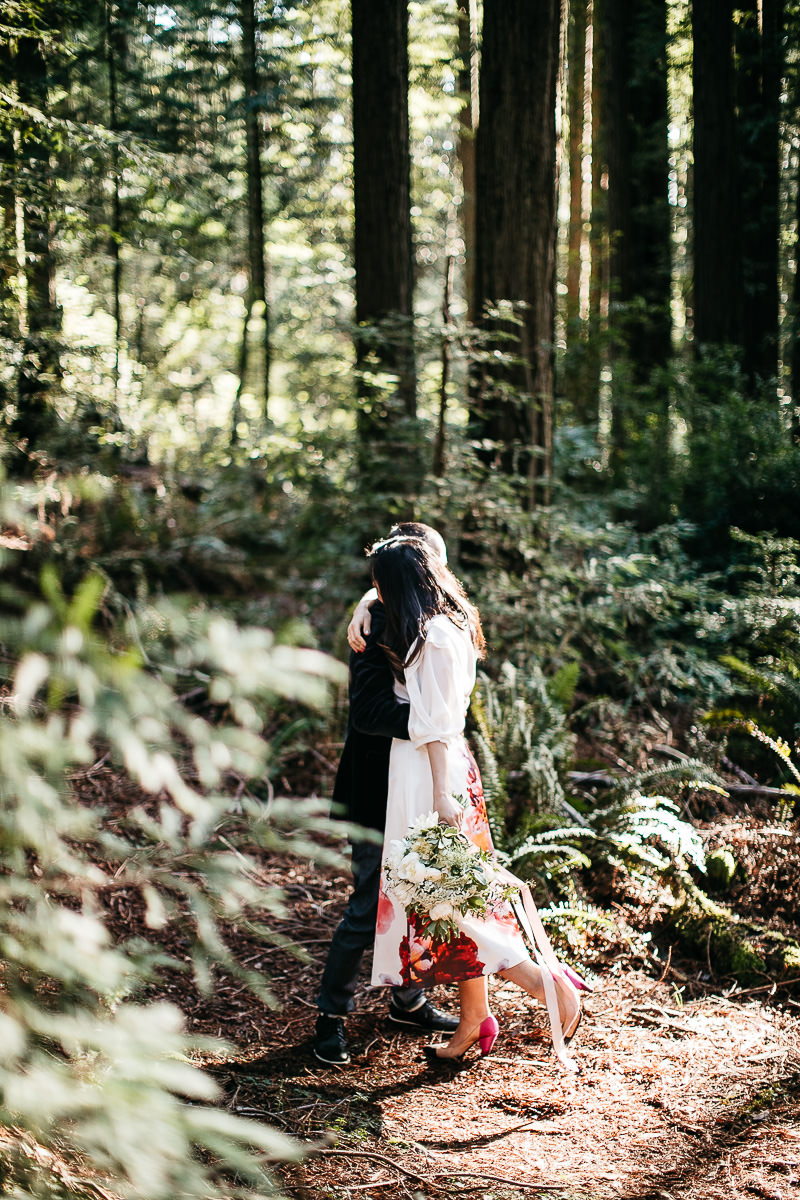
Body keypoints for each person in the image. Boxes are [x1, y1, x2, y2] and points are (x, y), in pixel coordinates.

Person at [368, 535, 581, 1062]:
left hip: (431, 775)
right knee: (450, 901)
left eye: (378, 585)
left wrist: (443, 799)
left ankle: (547, 987)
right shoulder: (444, 623)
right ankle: (473, 1020)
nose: (374, 593)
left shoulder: (434, 637)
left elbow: (438, 728)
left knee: (452, 902)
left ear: (398, 585)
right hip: (428, 770)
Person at [313, 523, 459, 1066]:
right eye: (431, 566)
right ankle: (331, 1017)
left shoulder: (424, 614)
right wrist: (432, 722)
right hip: (375, 785)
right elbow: (370, 713)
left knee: (419, 893)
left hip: (418, 782)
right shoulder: (376, 619)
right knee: (369, 900)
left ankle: (408, 998)